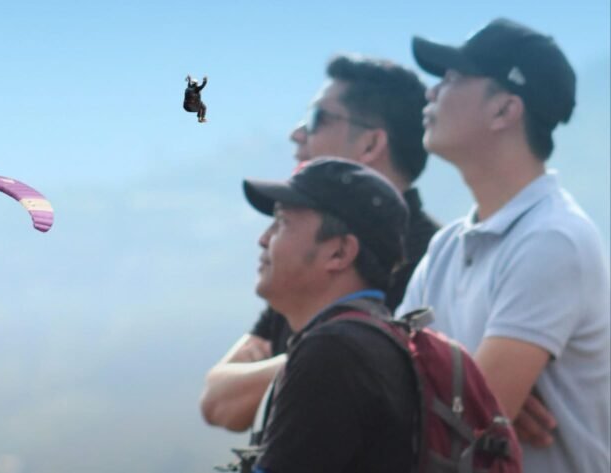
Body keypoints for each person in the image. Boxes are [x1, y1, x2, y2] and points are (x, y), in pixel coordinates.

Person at [398, 18, 610, 472]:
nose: (431, 92)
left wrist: (463, 397)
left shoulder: (553, 239)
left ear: (504, 111)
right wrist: (465, 391)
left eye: (453, 78)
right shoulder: (445, 248)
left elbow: (462, 428)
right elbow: (384, 379)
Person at [200, 54, 439, 432]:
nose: (297, 134)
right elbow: (218, 401)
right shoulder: (304, 256)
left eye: (317, 119)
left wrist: (316, 356)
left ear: (371, 143)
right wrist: (313, 359)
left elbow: (393, 375)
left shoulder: (433, 259)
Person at [236, 158, 419, 472]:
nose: (263, 238)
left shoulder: (334, 352)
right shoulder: (372, 340)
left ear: (339, 253)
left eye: (282, 222)